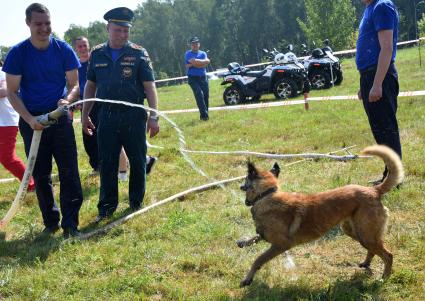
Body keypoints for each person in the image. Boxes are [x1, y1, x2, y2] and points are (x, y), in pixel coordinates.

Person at [3, 3, 83, 238]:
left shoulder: (63, 49)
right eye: (38, 24)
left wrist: (66, 101)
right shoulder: (18, 54)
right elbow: (12, 92)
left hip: (59, 118)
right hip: (32, 120)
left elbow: (75, 84)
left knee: (69, 171)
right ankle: (50, 222)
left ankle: (71, 225)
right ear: (28, 23)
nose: (44, 28)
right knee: (41, 174)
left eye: (47, 23)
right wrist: (29, 119)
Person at [82, 7, 160, 222]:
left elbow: (150, 86)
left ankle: (136, 203)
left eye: (126, 30)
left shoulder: (138, 53)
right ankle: (106, 208)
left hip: (134, 115)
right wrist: (85, 114)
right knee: (107, 162)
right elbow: (90, 85)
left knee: (137, 161)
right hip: (105, 116)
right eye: (118, 30)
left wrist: (154, 116)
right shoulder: (97, 53)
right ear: (108, 28)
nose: (123, 35)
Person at [356, 0, 402, 185]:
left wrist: (377, 83)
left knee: (386, 129)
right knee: (379, 130)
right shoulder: (369, 8)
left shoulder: (381, 6)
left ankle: (394, 178)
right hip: (370, 76)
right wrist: (365, 85)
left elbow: (386, 48)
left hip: (379, 75)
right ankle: (389, 174)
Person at [0, 60, 35, 192]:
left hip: (6, 122)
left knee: (7, 158)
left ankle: (31, 184)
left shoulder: (3, 72)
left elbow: (4, 91)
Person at [73, 36, 99, 174]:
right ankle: (96, 166)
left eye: (84, 45)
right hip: (84, 105)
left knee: (105, 134)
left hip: (100, 102)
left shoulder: (96, 61)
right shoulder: (74, 66)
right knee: (88, 136)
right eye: (80, 46)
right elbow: (74, 85)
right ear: (76, 48)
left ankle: (122, 163)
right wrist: (76, 100)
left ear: (89, 45)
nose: (83, 49)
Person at [185, 37, 210, 121]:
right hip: (193, 78)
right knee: (199, 94)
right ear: (190, 45)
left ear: (199, 44)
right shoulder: (188, 53)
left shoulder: (203, 53)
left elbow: (206, 63)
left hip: (203, 77)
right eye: (193, 44)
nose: (195, 45)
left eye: (196, 43)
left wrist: (195, 62)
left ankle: (205, 113)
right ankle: (204, 116)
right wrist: (201, 62)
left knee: (206, 95)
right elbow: (200, 63)